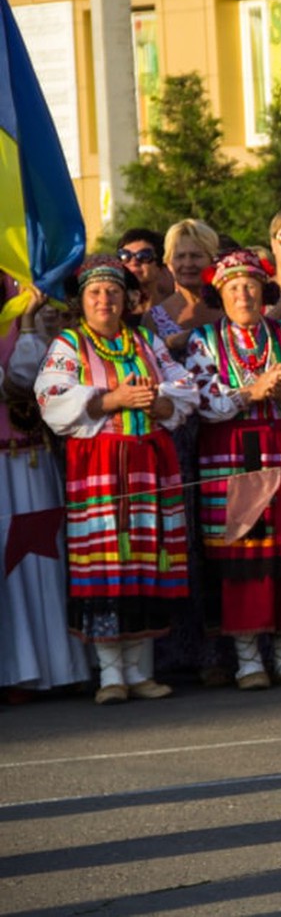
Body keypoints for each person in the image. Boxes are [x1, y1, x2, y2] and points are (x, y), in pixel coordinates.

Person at [34, 256, 199, 704]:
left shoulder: (147, 341)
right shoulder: (71, 345)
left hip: (149, 464)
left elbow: (184, 386)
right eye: (95, 293)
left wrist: (160, 405)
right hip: (100, 467)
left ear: (127, 298)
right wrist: (112, 398)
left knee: (147, 560)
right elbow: (51, 397)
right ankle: (110, 674)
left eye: (112, 292)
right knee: (106, 563)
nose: (104, 300)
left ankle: (140, 670)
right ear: (82, 301)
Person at [187, 249, 281, 690]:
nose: (243, 295)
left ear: (263, 290)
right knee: (241, 563)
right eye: (233, 288)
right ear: (221, 294)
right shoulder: (204, 341)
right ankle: (249, 660)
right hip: (233, 459)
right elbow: (203, 398)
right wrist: (251, 392)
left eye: (249, 286)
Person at [1, 279, 89, 699]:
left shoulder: (27, 308)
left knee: (41, 561)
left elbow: (36, 382)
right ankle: (14, 671)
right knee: (10, 566)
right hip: (3, 465)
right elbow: (13, 381)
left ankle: (56, 666)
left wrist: (32, 322)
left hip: (32, 458)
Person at [151, 219, 222, 356]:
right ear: (169, 263)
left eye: (196, 256)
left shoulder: (232, 305)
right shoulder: (154, 318)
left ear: (212, 259)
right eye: (180, 256)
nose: (188, 263)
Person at [116, 227, 172, 313]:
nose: (133, 262)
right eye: (125, 256)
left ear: (159, 266)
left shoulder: (175, 311)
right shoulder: (113, 312)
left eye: (144, 256)